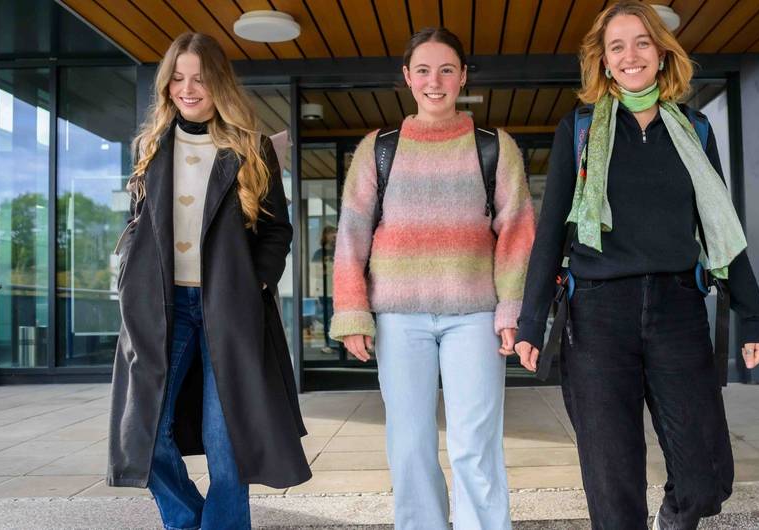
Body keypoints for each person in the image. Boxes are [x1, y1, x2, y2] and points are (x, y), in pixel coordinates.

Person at [513, 2, 759, 529]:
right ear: (604, 60)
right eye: (617, 46)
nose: (630, 55)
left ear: (661, 52)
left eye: (641, 42)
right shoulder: (579, 129)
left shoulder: (694, 129)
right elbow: (551, 231)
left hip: (678, 310)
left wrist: (753, 316)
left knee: (705, 475)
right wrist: (530, 321)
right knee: (613, 478)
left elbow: (721, 227)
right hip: (598, 314)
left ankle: (672, 520)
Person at [329, 27, 536, 530]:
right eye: (423, 70)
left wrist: (512, 308)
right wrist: (352, 312)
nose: (435, 81)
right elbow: (352, 235)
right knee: (409, 444)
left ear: (463, 76)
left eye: (446, 70)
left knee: (475, 445)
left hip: (475, 317)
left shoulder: (493, 147)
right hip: (398, 319)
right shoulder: (379, 149)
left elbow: (517, 233)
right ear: (407, 77)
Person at [107, 32, 311, 529]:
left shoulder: (250, 148)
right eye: (177, 78)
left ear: (219, 82)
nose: (187, 88)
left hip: (229, 308)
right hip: (160, 308)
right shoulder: (150, 146)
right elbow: (138, 224)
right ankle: (189, 522)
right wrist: (130, 273)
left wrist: (254, 282)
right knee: (143, 432)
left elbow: (277, 230)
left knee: (227, 443)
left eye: (198, 78)